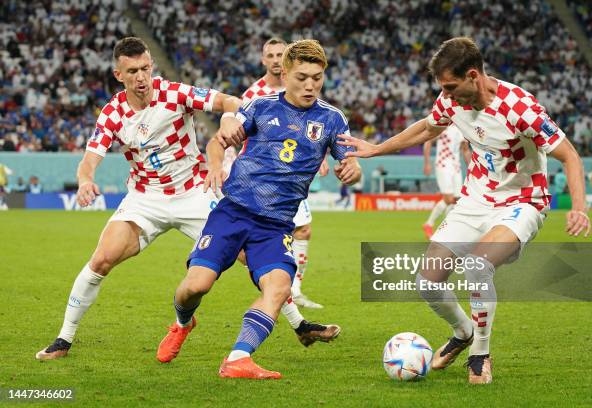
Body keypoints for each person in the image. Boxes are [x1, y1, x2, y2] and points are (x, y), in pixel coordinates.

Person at [35, 37, 336, 361]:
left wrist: (230, 121)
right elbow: (91, 156)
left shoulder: (174, 93)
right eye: (133, 71)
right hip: (145, 198)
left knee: (254, 256)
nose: (142, 77)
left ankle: (299, 325)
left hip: (193, 192)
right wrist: (85, 180)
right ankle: (63, 340)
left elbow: (228, 102)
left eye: (146, 68)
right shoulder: (113, 113)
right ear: (118, 74)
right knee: (101, 260)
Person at [339, 37, 590, 384]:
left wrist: (580, 208)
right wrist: (375, 149)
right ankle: (463, 332)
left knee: (477, 265)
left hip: (522, 202)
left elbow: (570, 156)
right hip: (474, 201)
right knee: (426, 281)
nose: (447, 94)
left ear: (474, 75)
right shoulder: (451, 101)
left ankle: (480, 354)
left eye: (451, 86)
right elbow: (428, 127)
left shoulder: (520, 108)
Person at [156, 39, 362, 379]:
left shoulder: (332, 119)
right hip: (233, 212)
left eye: (317, 77)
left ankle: (237, 359)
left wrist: (352, 170)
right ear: (285, 74)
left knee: (279, 289)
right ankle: (182, 323)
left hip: (276, 225)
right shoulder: (260, 106)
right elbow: (218, 139)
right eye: (302, 77)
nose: (310, 85)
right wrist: (215, 162)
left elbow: (349, 162)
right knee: (196, 286)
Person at [241, 37, 327, 309]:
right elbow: (241, 134)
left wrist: (321, 156)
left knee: (303, 231)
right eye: (271, 55)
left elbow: (315, 125)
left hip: (295, 175)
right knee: (274, 235)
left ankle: (295, 289)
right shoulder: (254, 94)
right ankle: (283, 291)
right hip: (264, 177)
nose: (276, 59)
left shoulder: (303, 87)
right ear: (263, 60)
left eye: (281, 54)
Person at [422, 124, 470, 239]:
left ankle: (446, 229)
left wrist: (471, 167)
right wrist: (427, 163)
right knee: (449, 199)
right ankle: (429, 224)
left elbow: (465, 150)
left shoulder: (462, 127)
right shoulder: (443, 126)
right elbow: (428, 142)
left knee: (456, 200)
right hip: (443, 165)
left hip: (456, 167)